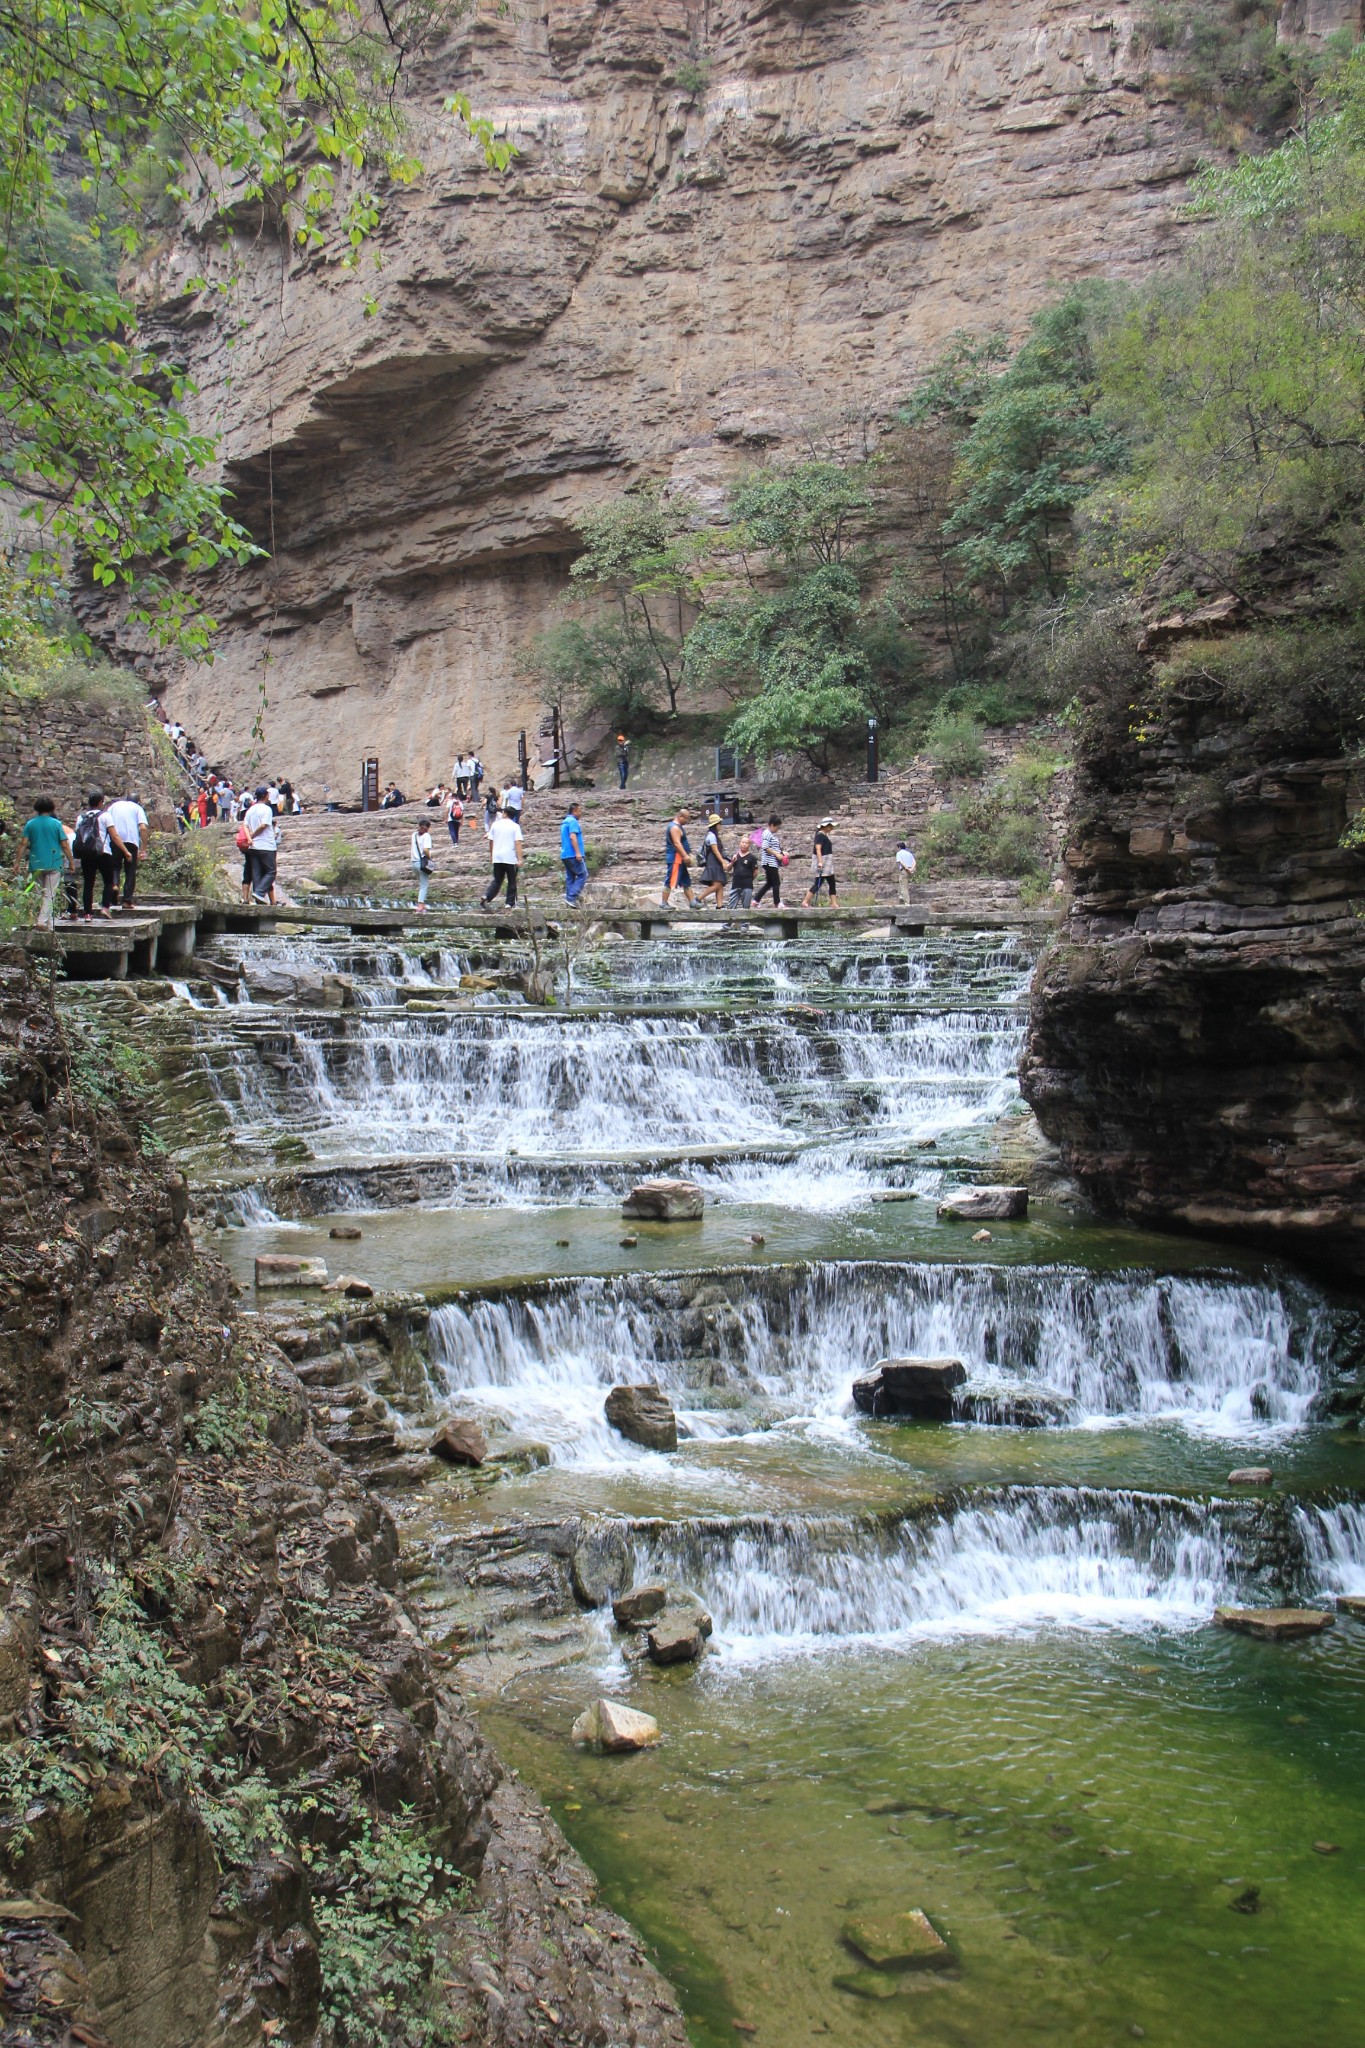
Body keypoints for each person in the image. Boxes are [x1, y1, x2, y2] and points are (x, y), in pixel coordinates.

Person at [19, 797, 69, 929]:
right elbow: (64, 844)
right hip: (54, 863)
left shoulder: (30, 824)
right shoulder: (56, 824)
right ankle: (42, 921)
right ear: (52, 808)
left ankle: (49, 925)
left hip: (36, 863)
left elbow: (24, 844)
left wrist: (16, 862)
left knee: (42, 894)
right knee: (50, 894)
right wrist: (71, 861)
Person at [72, 789, 117, 920]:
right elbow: (114, 835)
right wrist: (125, 851)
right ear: (100, 802)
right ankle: (105, 908)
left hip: (87, 854)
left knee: (88, 883)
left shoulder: (81, 817)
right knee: (108, 881)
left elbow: (78, 835)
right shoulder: (105, 816)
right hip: (103, 852)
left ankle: (87, 914)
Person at [103, 793, 148, 911]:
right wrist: (144, 848)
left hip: (115, 840)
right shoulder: (137, 808)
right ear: (137, 801)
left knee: (115, 867)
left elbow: (105, 821)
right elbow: (143, 827)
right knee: (130, 870)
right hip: (131, 841)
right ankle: (127, 901)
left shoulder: (114, 806)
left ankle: (114, 884)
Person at [243, 784, 280, 904]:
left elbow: (245, 825)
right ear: (265, 795)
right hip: (266, 846)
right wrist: (252, 836)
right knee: (271, 872)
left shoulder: (251, 810)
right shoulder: (266, 809)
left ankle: (259, 900)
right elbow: (264, 825)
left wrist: (249, 838)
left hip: (253, 847)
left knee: (257, 873)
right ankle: (259, 893)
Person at [482, 804, 523, 908]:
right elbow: (518, 843)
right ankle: (509, 903)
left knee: (497, 880)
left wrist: (491, 855)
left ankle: (487, 896)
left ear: (505, 813)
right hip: (509, 857)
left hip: (497, 856)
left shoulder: (495, 825)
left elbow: (491, 841)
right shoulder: (515, 826)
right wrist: (520, 859)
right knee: (512, 880)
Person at [660, 807, 696, 909]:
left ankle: (692, 902)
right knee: (670, 880)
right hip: (676, 858)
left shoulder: (678, 827)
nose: (687, 821)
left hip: (680, 860)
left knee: (686, 881)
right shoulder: (674, 828)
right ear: (680, 816)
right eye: (686, 818)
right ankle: (663, 903)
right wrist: (685, 855)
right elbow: (677, 843)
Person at [803, 817, 837, 908]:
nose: (831, 828)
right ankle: (805, 901)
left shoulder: (824, 835)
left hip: (828, 862)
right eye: (830, 826)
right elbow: (818, 848)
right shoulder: (820, 836)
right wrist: (820, 862)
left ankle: (833, 903)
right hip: (823, 862)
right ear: (825, 826)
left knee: (832, 882)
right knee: (818, 882)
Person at [753, 815, 784, 905]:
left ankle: (756, 900)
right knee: (776, 882)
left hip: (771, 862)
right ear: (772, 825)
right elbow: (765, 847)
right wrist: (776, 854)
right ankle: (777, 903)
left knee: (770, 883)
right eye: (777, 827)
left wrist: (782, 853)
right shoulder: (767, 833)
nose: (777, 829)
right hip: (770, 862)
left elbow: (774, 847)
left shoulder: (770, 834)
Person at [700, 812, 729, 908]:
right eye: (719, 824)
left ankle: (719, 905)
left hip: (715, 862)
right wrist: (723, 862)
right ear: (715, 825)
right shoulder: (711, 836)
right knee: (716, 885)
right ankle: (698, 898)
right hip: (713, 862)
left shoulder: (714, 835)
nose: (720, 826)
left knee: (719, 884)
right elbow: (715, 851)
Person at [561, 802, 587, 904]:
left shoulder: (565, 822)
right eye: (579, 811)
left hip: (565, 854)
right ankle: (571, 897)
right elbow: (573, 837)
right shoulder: (572, 822)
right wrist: (578, 853)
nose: (580, 813)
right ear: (574, 811)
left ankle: (569, 900)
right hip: (573, 854)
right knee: (582, 875)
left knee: (570, 877)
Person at [728, 833, 757, 909]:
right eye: (742, 842)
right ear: (739, 844)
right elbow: (728, 868)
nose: (744, 844)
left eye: (746, 843)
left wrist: (749, 879)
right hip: (735, 884)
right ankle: (729, 921)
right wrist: (732, 862)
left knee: (746, 907)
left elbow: (755, 872)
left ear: (749, 845)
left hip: (747, 885)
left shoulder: (752, 857)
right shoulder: (735, 856)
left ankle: (745, 921)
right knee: (731, 907)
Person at [411, 820, 435, 909]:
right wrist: (430, 859)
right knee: (424, 885)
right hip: (422, 864)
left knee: (421, 884)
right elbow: (425, 850)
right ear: (428, 828)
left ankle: (421, 904)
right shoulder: (427, 836)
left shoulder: (413, 835)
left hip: (413, 863)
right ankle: (420, 905)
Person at [896, 839, 918, 905]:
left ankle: (907, 902)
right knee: (900, 880)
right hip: (910, 871)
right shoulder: (909, 853)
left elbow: (901, 862)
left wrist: (907, 868)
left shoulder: (899, 853)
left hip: (905, 870)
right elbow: (914, 862)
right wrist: (912, 869)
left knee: (904, 887)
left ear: (899, 848)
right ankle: (900, 895)